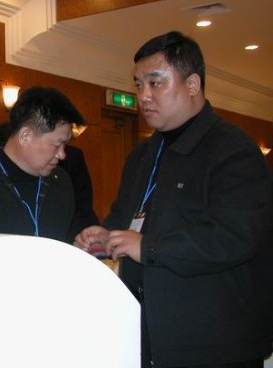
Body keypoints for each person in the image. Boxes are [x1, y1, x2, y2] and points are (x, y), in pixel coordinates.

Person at [75, 31, 273, 368]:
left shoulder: (232, 149)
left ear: (193, 84)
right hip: (149, 334)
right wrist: (106, 236)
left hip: (216, 343)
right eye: (139, 85)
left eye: (155, 83)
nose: (143, 96)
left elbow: (234, 236)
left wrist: (148, 247)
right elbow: (126, 216)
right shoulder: (142, 155)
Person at [0, 86, 98, 242]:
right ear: (25, 137)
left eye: (65, 146)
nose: (62, 155)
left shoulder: (61, 184)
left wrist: (78, 245)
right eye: (57, 145)